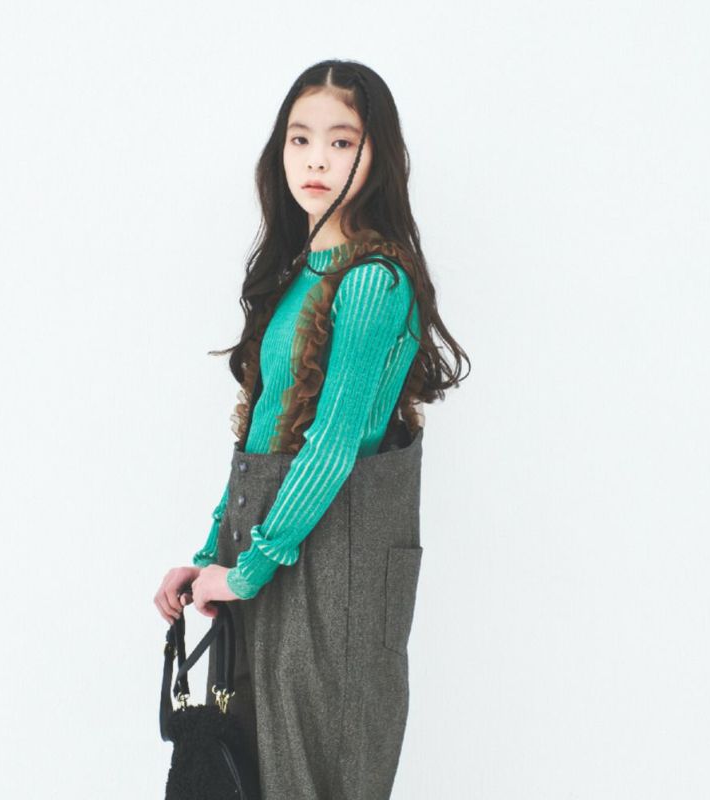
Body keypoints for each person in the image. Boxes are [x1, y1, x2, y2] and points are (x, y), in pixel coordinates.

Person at [153, 59, 470, 799]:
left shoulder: (374, 280)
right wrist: (209, 557)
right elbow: (263, 436)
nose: (316, 160)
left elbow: (332, 446)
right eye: (299, 139)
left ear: (378, 155)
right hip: (274, 555)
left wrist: (247, 570)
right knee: (252, 776)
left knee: (316, 778)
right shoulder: (297, 274)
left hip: (333, 577)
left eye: (341, 140)